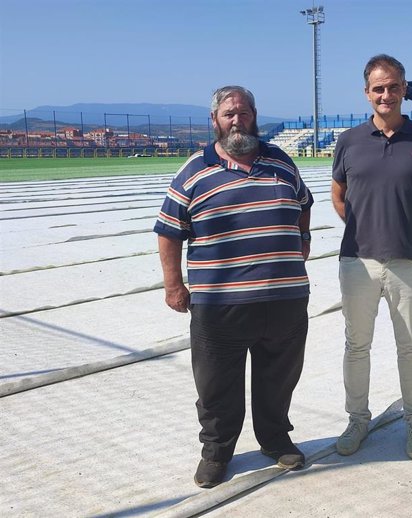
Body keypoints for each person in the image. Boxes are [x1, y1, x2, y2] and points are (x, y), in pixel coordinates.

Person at [154, 85, 313, 488]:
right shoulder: (194, 171)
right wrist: (174, 286)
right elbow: (169, 231)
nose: (237, 120)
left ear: (254, 115)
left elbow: (304, 204)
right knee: (216, 383)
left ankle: (276, 439)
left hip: (285, 299)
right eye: (229, 114)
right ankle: (217, 452)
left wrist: (302, 244)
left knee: (279, 377)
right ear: (215, 121)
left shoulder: (281, 162)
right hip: (218, 306)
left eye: (243, 113)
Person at [331, 54, 412, 460]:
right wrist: (366, 231)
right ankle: (357, 419)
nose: (386, 94)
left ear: (404, 89)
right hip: (357, 262)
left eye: (393, 86)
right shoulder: (348, 141)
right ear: (367, 93)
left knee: (410, 346)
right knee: (356, 346)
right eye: (378, 88)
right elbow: (338, 196)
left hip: (408, 262)